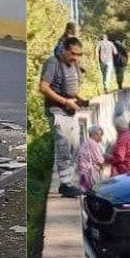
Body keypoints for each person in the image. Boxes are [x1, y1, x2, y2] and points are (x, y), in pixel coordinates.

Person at [39, 37, 86, 198]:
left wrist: (79, 99)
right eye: (73, 54)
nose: (76, 58)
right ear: (65, 50)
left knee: (74, 146)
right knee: (64, 147)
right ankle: (65, 184)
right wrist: (65, 101)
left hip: (71, 111)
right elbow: (43, 87)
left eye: (79, 55)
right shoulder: (53, 62)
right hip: (57, 111)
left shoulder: (74, 66)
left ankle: (69, 181)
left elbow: (72, 87)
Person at [78, 125, 106, 193]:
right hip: (90, 172)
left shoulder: (85, 142)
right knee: (95, 191)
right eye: (100, 135)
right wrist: (103, 167)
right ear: (94, 134)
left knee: (85, 190)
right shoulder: (93, 144)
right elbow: (99, 160)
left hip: (83, 171)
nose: (101, 137)